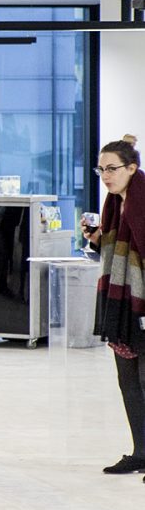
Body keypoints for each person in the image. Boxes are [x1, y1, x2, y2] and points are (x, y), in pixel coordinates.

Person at [81, 134, 145, 475]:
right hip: (120, 304)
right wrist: (97, 239)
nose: (106, 175)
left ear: (132, 168)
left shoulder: (141, 202)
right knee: (128, 381)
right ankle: (141, 452)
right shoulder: (115, 204)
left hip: (141, 304)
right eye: (101, 169)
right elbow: (113, 250)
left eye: (112, 169)